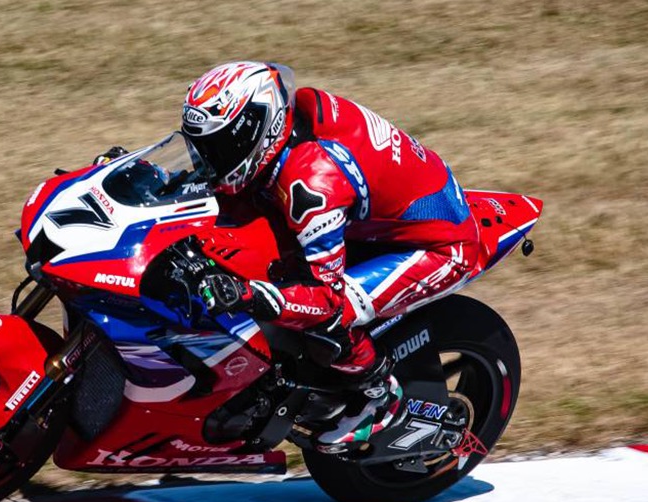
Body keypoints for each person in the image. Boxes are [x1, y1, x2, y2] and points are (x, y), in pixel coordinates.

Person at [179, 61, 480, 446]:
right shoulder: (287, 131)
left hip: (439, 246)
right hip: (379, 220)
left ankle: (378, 395)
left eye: (217, 147)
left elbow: (326, 300)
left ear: (258, 132)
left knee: (328, 321)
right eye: (199, 146)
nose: (205, 159)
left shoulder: (311, 187)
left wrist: (248, 295)